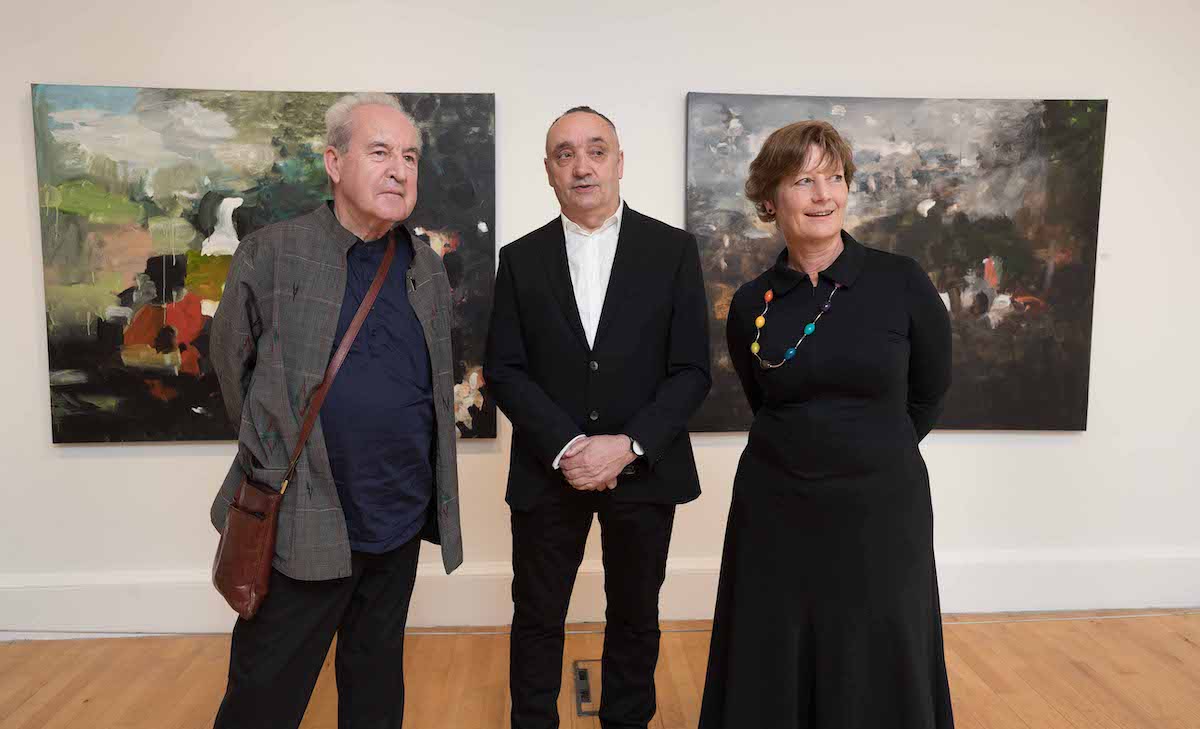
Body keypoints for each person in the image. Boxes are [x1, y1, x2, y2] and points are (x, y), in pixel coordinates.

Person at [208, 92, 462, 729]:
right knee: (263, 698)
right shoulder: (271, 253)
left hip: (397, 516)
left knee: (375, 692)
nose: (399, 170)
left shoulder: (425, 267)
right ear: (333, 161)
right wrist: (276, 455)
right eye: (379, 152)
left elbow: (432, 383)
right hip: (300, 518)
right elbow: (233, 370)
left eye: (409, 156)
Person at [698, 120, 955, 729]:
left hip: (881, 507)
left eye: (835, 178)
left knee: (880, 641)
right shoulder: (750, 303)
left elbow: (929, 393)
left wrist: (868, 451)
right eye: (804, 180)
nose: (824, 195)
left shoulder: (903, 282)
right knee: (775, 643)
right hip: (777, 506)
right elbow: (766, 399)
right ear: (769, 199)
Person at [485, 106, 711, 729]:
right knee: (536, 616)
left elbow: (692, 369)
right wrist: (570, 447)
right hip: (547, 469)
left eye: (595, 150)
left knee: (636, 616)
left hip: (644, 471)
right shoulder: (521, 259)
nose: (581, 166)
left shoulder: (672, 251)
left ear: (618, 161)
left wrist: (628, 446)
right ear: (549, 172)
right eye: (565, 154)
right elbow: (504, 368)